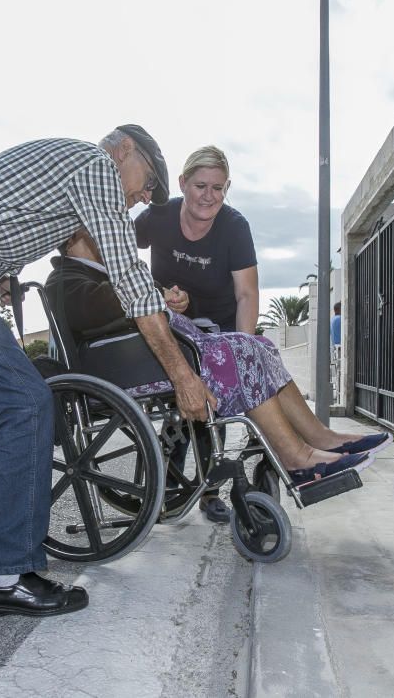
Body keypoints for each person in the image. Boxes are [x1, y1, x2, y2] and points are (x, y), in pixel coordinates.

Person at [0, 126, 214, 618]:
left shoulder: (64, 172)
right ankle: (3, 575)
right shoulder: (96, 166)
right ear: (124, 151)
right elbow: (129, 279)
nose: (143, 198)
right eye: (147, 183)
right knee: (26, 403)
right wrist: (184, 375)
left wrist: (0, 272)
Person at [46, 228, 393, 487]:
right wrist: (150, 294)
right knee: (239, 351)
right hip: (127, 369)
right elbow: (94, 310)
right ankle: (296, 458)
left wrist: (177, 300)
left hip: (170, 348)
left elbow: (151, 304)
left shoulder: (111, 274)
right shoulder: (63, 279)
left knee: (259, 344)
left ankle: (319, 438)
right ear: (76, 235)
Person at [134, 146, 259, 523]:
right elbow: (119, 248)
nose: (209, 196)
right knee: (179, 401)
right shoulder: (158, 215)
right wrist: (154, 294)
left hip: (215, 325)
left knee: (207, 409)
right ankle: (168, 482)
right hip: (168, 323)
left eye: (218, 188)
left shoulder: (234, 227)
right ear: (183, 183)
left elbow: (247, 293)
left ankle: (209, 492)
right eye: (201, 185)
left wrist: (242, 346)